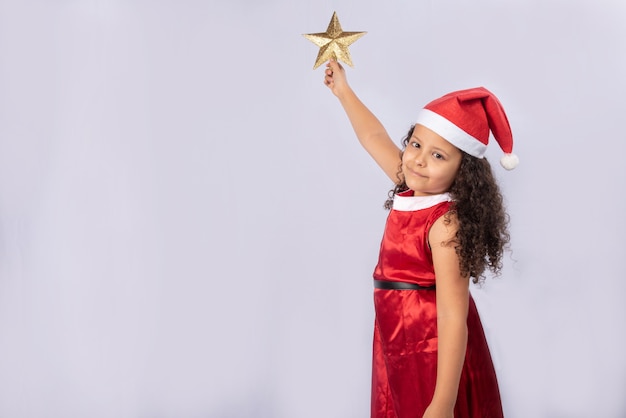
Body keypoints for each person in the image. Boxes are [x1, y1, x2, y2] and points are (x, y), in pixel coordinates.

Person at [323, 59, 517, 418]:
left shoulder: (444, 224)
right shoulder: (410, 186)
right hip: (396, 340)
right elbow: (373, 137)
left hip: (431, 349)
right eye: (415, 145)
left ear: (464, 173)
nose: (418, 161)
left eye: (438, 155)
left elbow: (451, 316)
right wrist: (343, 91)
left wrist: (442, 405)